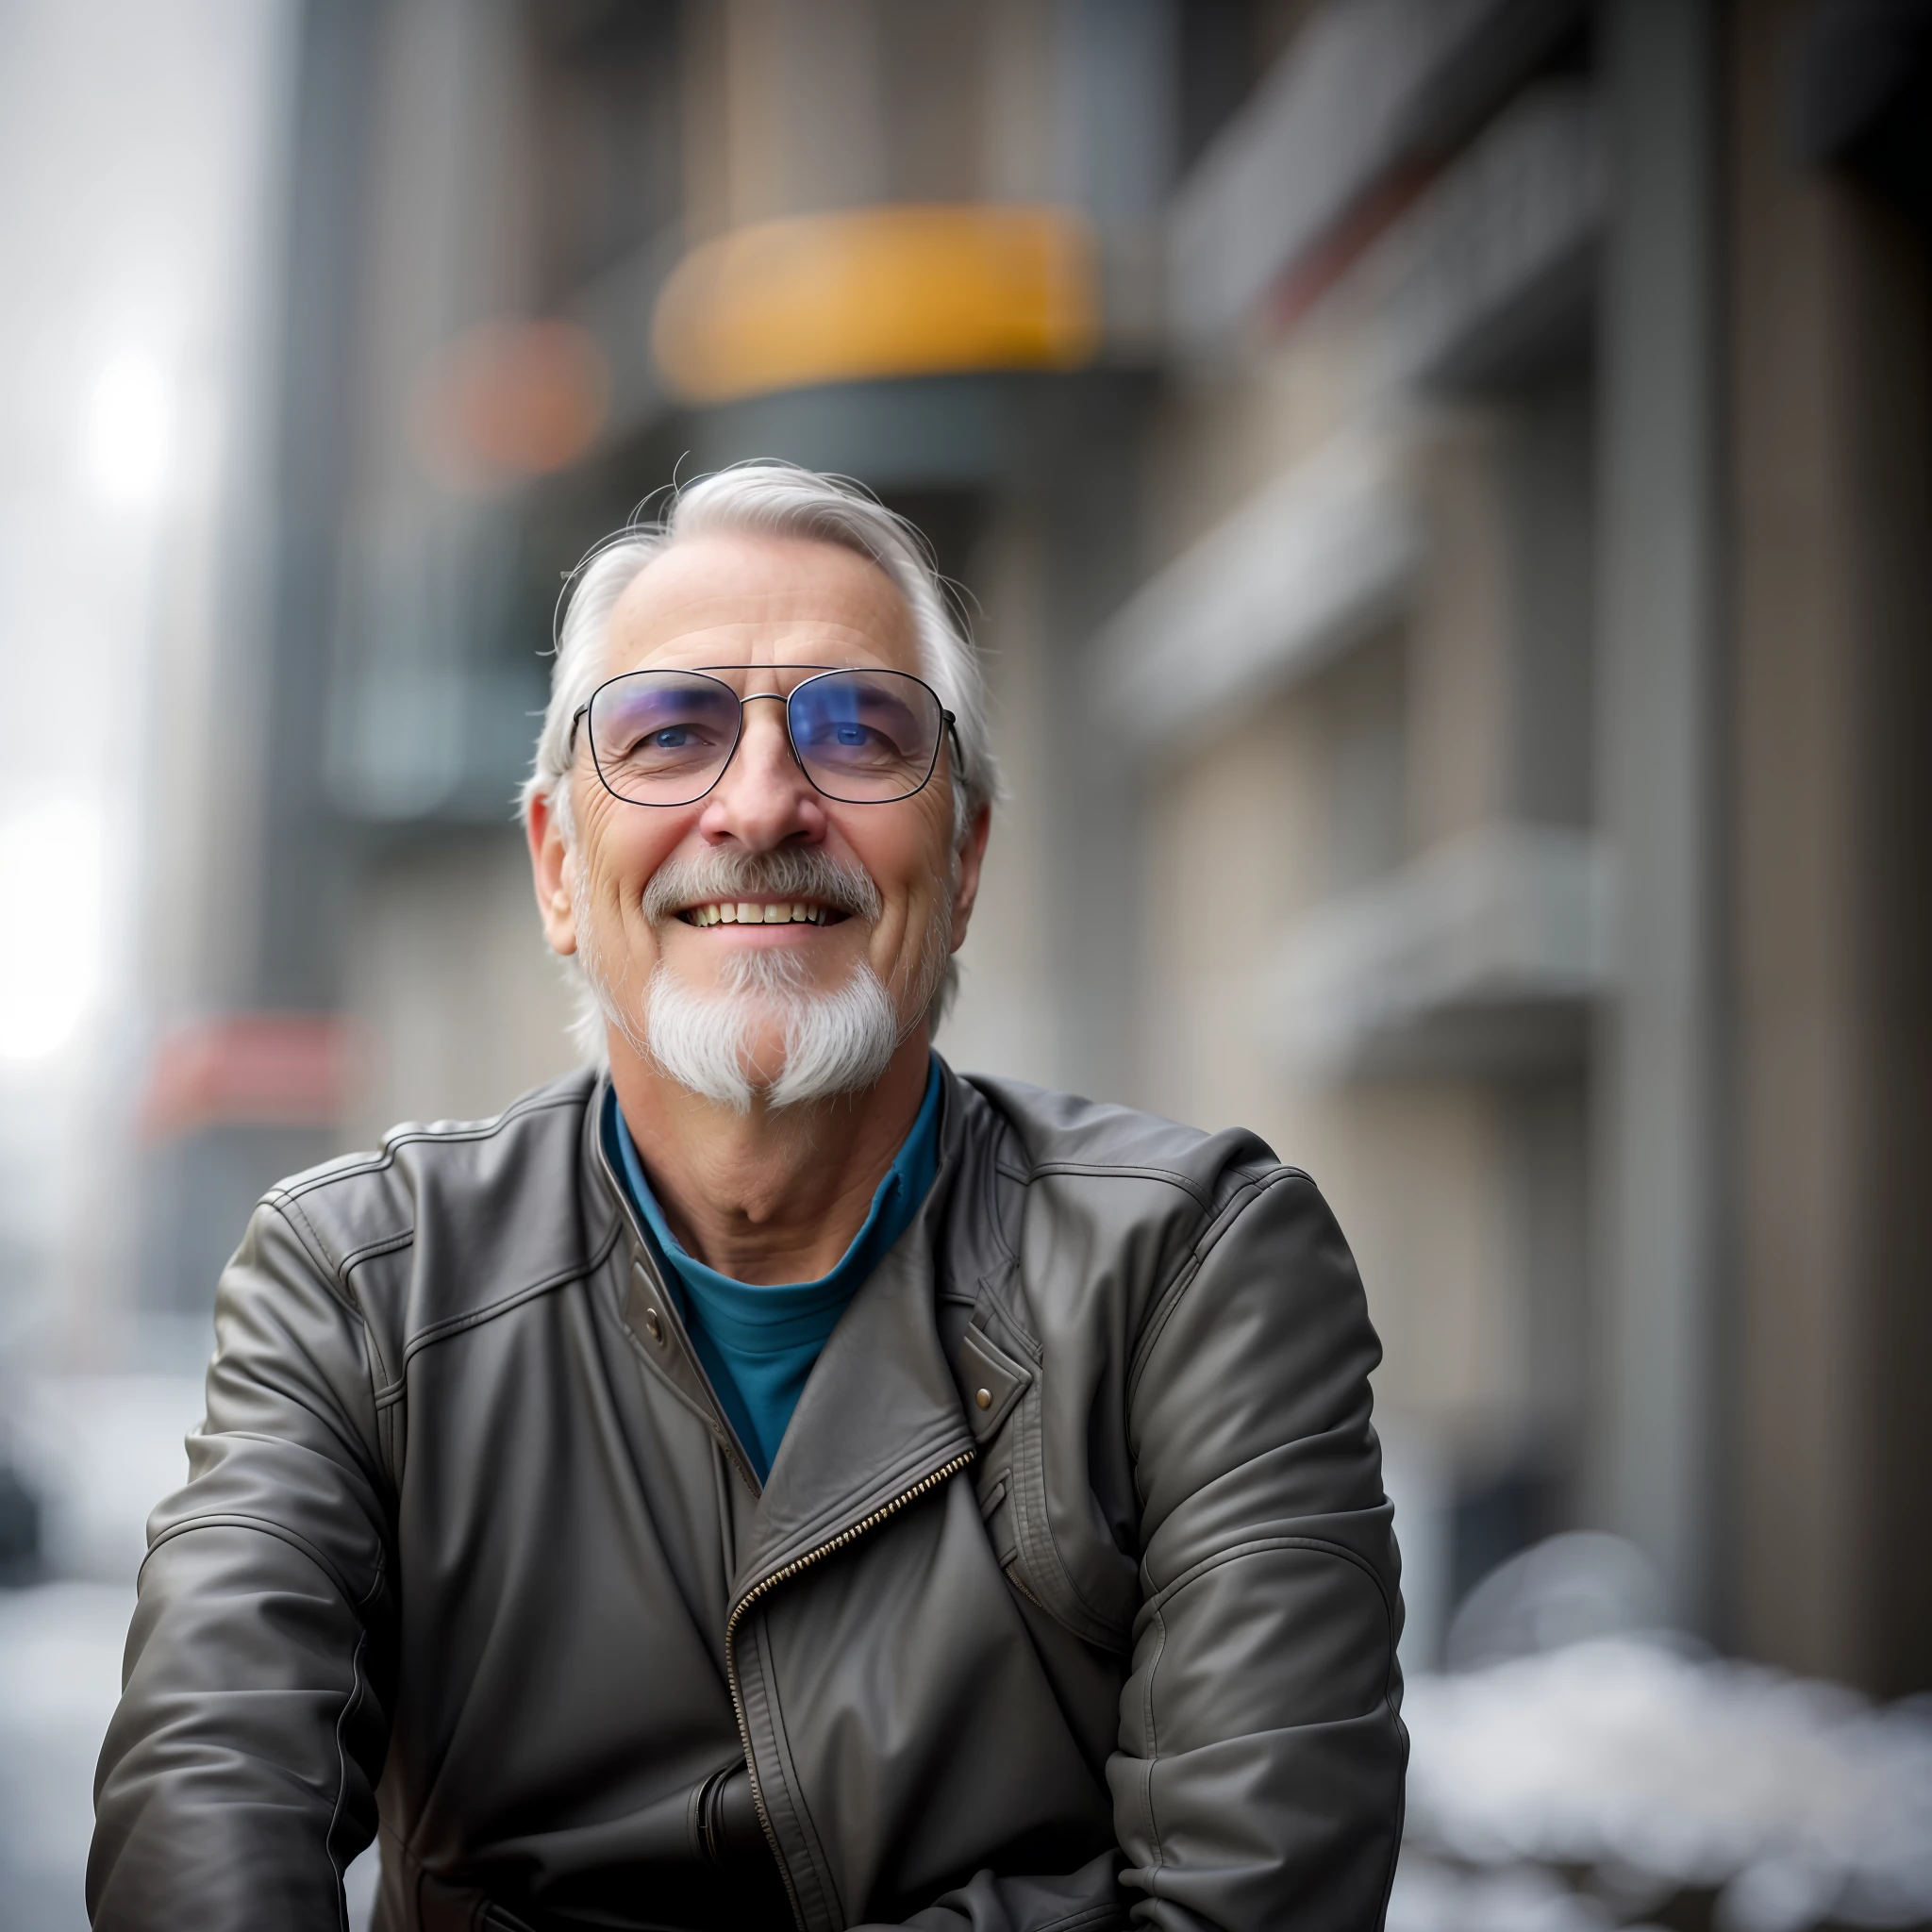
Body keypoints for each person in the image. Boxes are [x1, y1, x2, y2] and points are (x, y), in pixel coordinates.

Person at [88, 464, 1406, 1931]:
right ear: (558, 871)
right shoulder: (358, 1282)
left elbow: (1256, 1905)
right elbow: (198, 1831)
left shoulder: (1198, 1271)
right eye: (668, 733)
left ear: (961, 863)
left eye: (857, 730)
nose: (764, 800)